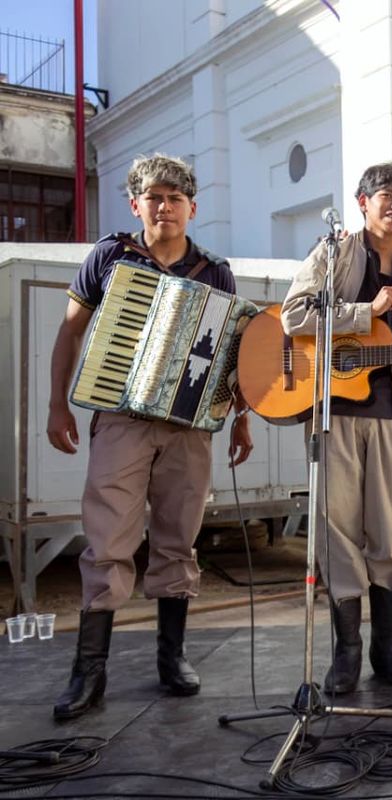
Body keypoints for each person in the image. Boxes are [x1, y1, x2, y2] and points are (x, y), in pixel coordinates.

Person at [46, 154, 254, 719]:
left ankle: (172, 657)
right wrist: (57, 405)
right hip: (120, 416)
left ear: (192, 207)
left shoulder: (215, 271)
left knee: (178, 537)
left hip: (188, 427)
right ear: (135, 205)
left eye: (175, 198)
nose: (164, 207)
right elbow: (70, 332)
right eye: (153, 198)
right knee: (109, 540)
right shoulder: (110, 257)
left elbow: (232, 354)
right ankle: (89, 671)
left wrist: (241, 418)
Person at [281, 162, 392, 693]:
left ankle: (388, 649)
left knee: (390, 537)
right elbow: (293, 316)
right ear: (363, 201)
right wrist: (366, 311)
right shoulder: (333, 253)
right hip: (334, 415)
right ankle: (346, 654)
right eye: (387, 195)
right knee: (336, 535)